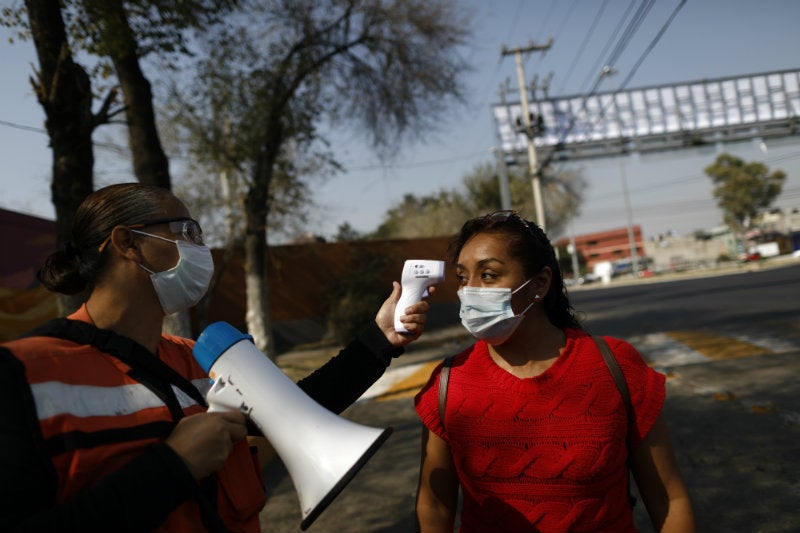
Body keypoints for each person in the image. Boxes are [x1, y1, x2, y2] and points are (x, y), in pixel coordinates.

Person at [0, 183, 432, 533]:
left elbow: (298, 412)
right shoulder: (27, 374)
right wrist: (174, 467)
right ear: (128, 243)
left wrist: (380, 339)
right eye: (186, 232)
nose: (200, 248)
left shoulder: (196, 358)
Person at [414, 210, 696, 533]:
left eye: (489, 275)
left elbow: (668, 499)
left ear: (540, 283)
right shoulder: (449, 382)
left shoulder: (616, 365)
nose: (470, 291)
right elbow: (434, 504)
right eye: (463, 278)